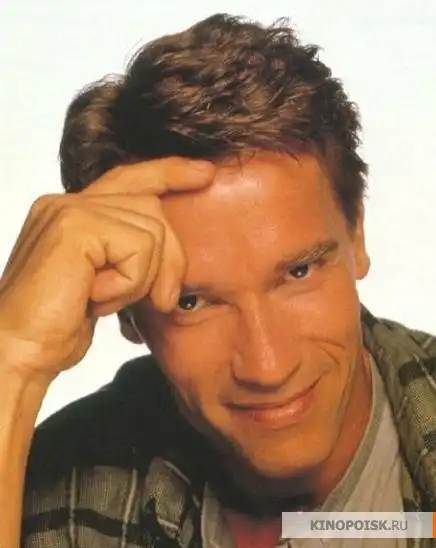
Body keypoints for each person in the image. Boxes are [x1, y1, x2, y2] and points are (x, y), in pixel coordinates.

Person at [0, 12, 434, 548]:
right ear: (125, 310)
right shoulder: (61, 490)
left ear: (357, 234)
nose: (268, 367)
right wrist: (11, 359)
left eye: (298, 271)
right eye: (193, 302)